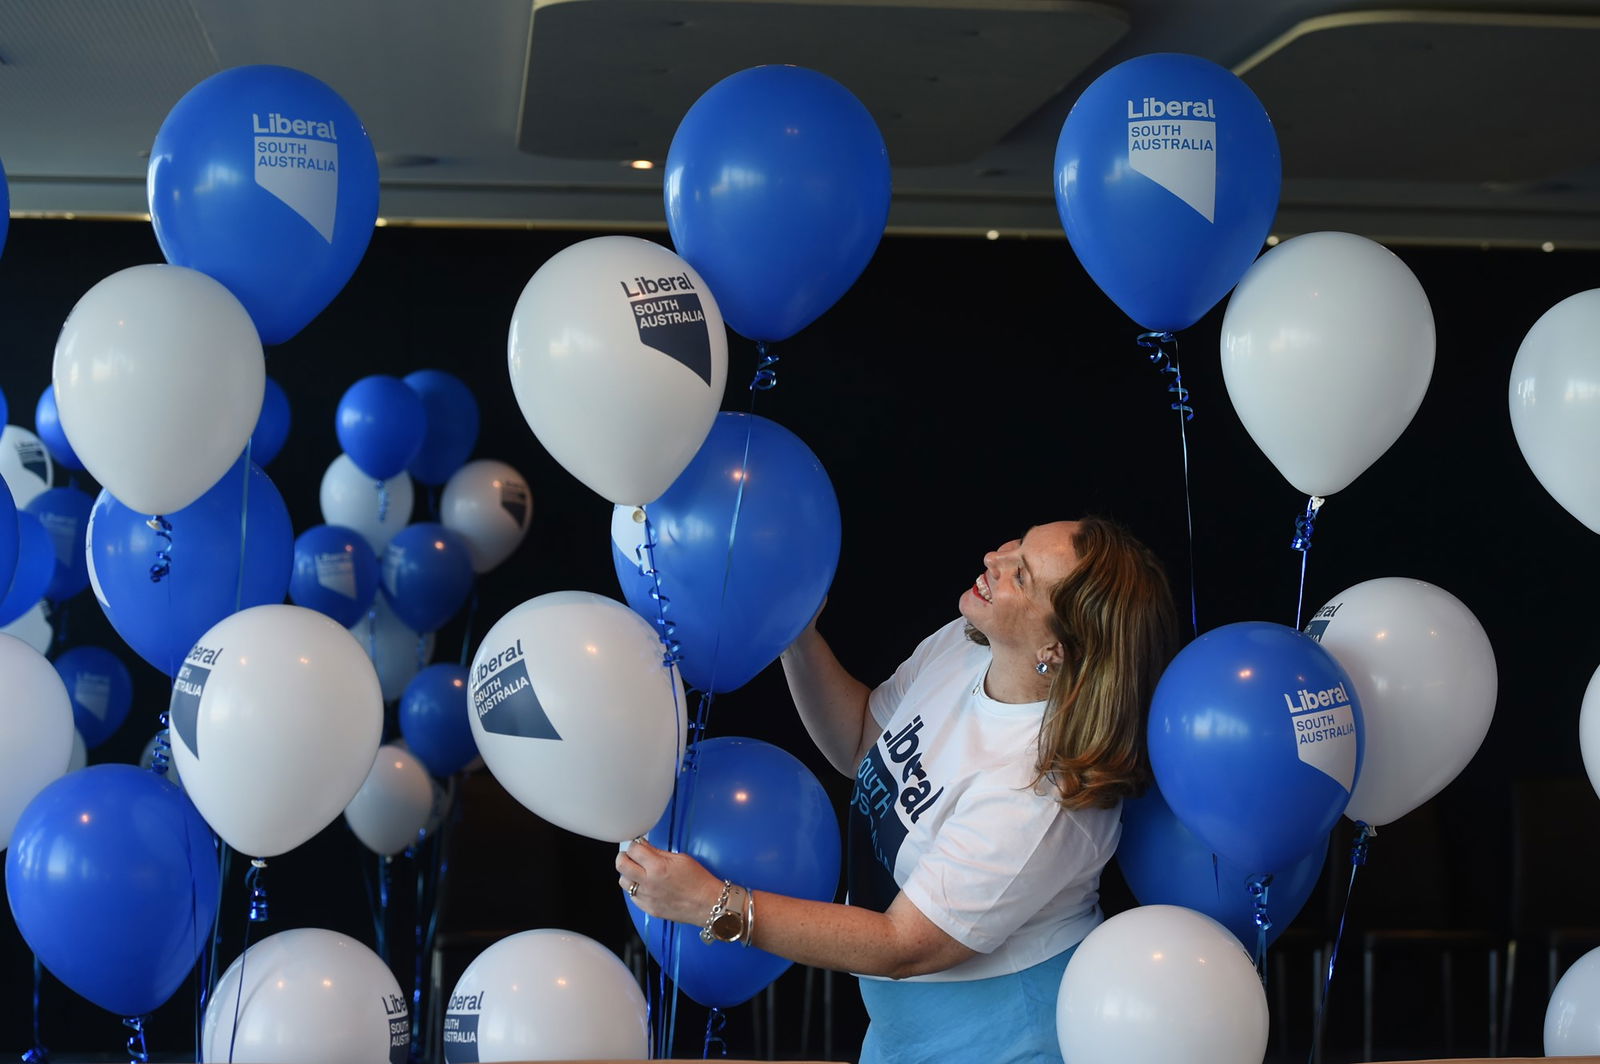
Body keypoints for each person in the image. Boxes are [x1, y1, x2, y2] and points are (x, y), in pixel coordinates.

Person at [618, 517, 1180, 1062]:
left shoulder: (1038, 790)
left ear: (1056, 650)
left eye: (1022, 575)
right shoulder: (967, 647)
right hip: (902, 1026)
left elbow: (900, 943)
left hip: (1000, 1038)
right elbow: (863, 739)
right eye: (1017, 545)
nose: (994, 560)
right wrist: (795, 635)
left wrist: (714, 905)